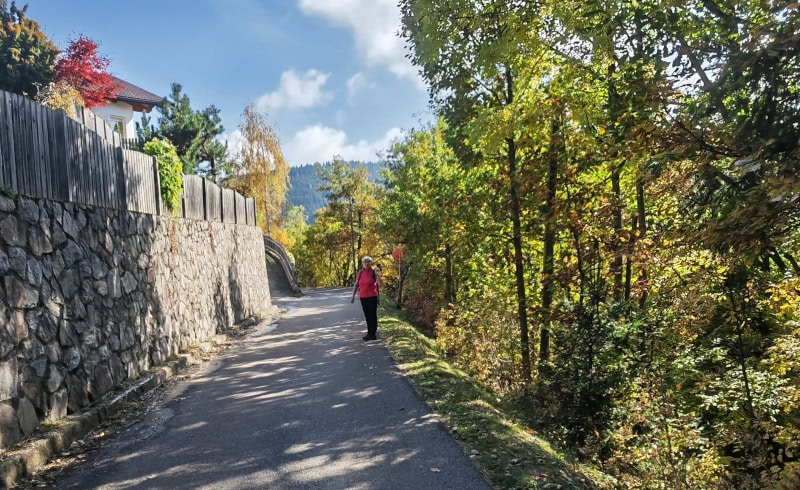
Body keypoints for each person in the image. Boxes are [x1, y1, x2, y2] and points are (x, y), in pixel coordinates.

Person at [351, 256, 381, 341]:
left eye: (368, 262)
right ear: (363, 264)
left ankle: (373, 334)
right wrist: (353, 296)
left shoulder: (373, 272)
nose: (366, 264)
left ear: (370, 263)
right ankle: (369, 333)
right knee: (367, 315)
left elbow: (379, 284)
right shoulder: (360, 273)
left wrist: (377, 274)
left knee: (372, 315)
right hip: (363, 297)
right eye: (365, 262)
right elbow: (356, 284)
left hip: (372, 296)